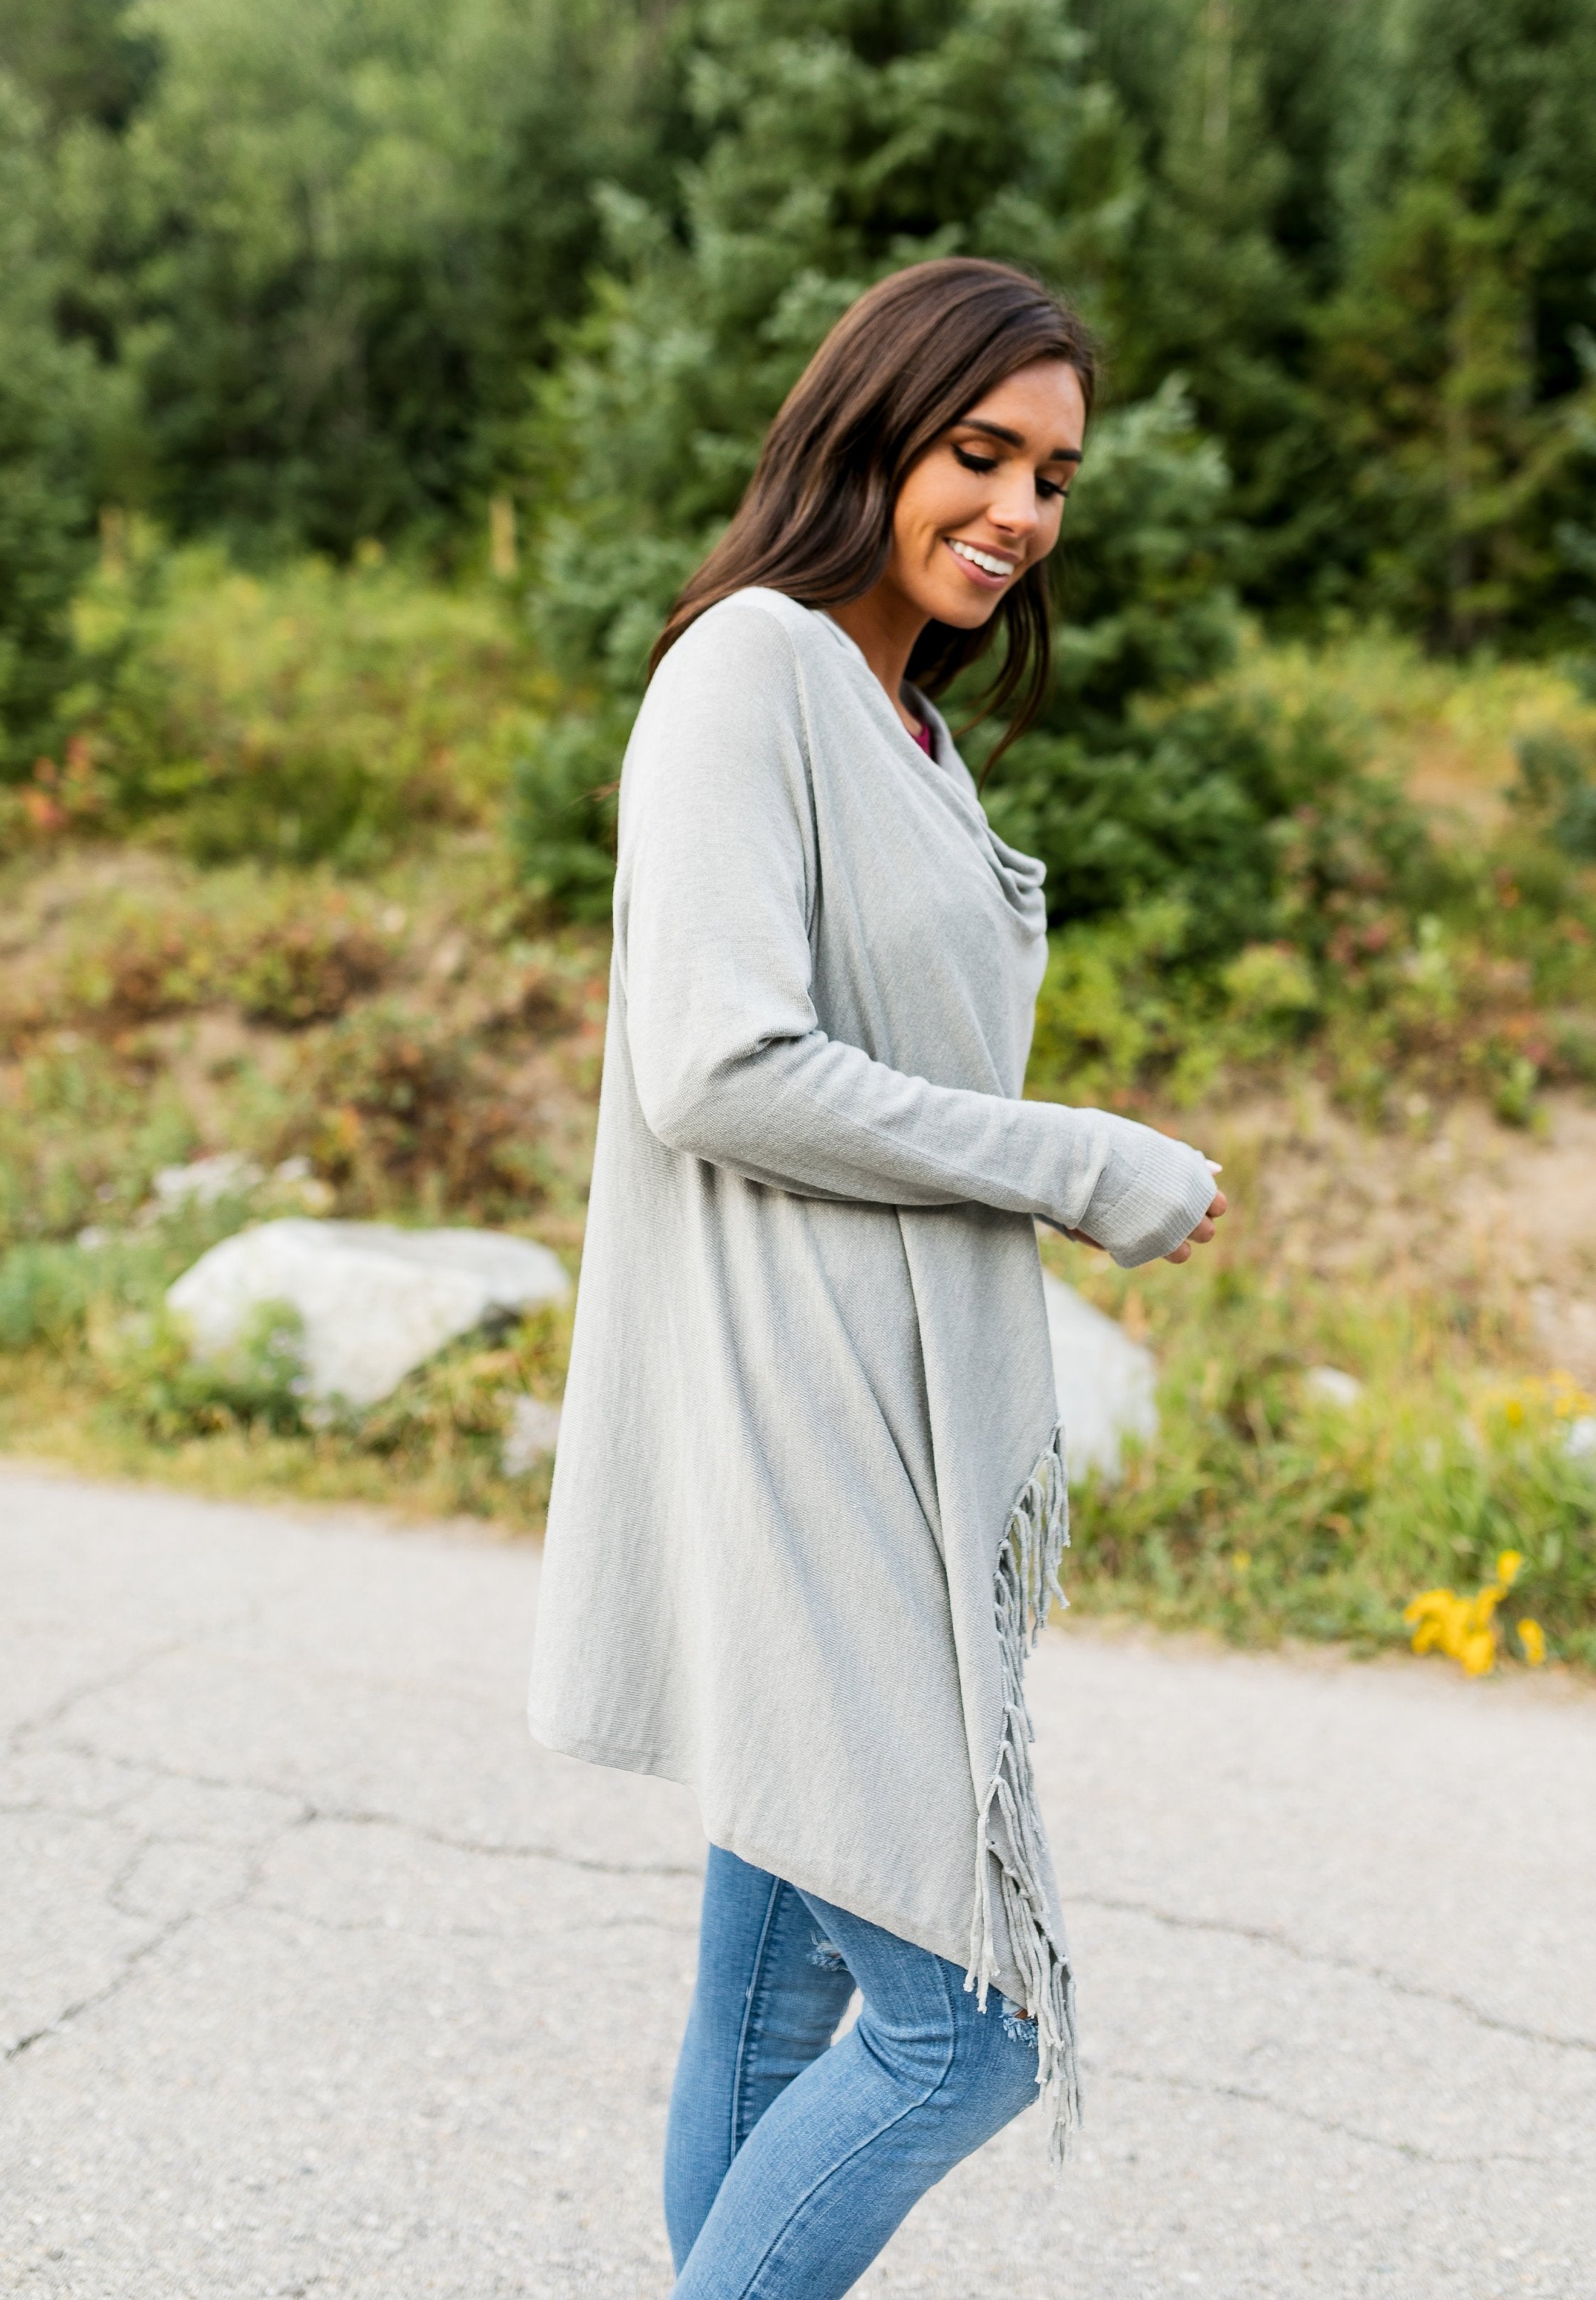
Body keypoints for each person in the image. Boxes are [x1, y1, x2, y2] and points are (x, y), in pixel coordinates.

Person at [528, 257, 1226, 2298]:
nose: (1020, 509)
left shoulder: (906, 724)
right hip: (801, 1422)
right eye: (980, 451)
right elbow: (719, 1066)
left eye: (1058, 475)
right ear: (872, 437)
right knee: (963, 2034)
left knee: (771, 2017)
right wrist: (1081, 1162)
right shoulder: (748, 667)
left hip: (890, 1438)